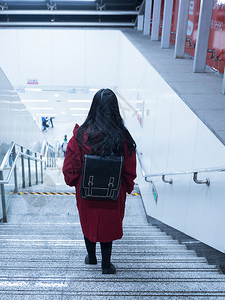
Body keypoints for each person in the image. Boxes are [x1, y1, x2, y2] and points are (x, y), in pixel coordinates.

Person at [62, 88, 137, 274]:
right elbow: (129, 169)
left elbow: (69, 169)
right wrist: (127, 186)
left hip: (87, 191)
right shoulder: (123, 138)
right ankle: (106, 265)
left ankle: (91, 258)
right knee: (108, 225)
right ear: (115, 109)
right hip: (113, 191)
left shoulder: (80, 137)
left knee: (88, 221)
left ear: (93, 108)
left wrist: (74, 182)